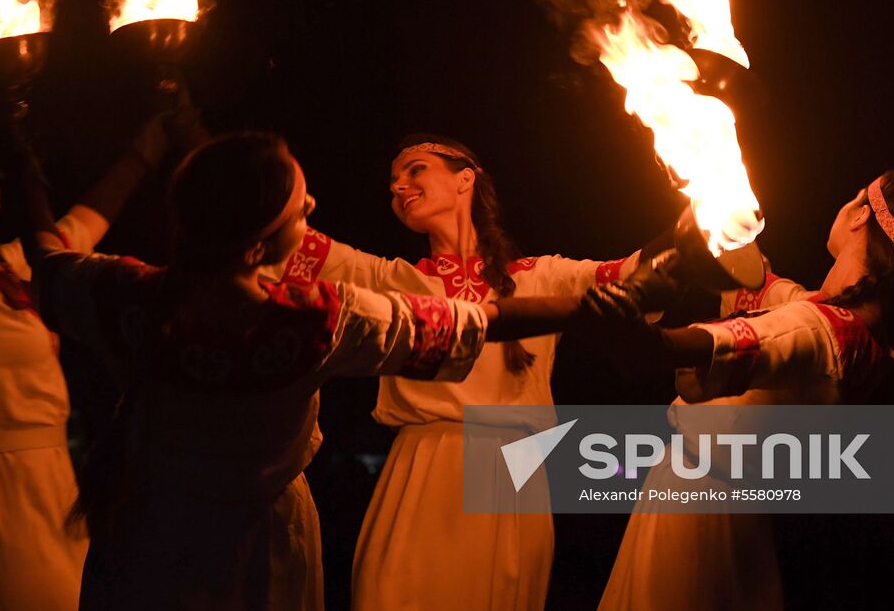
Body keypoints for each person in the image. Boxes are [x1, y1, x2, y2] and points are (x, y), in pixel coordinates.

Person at [29, 132, 649, 611]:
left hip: (147, 532)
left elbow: (49, 260)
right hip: (276, 541)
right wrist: (582, 310)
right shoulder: (326, 318)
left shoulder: (121, 293)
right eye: (301, 203)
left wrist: (28, 142)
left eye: (416, 170)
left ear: (468, 180)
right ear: (266, 232)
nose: (315, 209)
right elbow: (474, 323)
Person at [268, 135, 643, 611]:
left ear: (465, 177)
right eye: (392, 182)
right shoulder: (391, 279)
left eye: (415, 170)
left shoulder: (539, 276)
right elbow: (270, 224)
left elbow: (638, 276)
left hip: (513, 470)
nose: (399, 186)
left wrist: (705, 218)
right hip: (423, 464)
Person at [594, 168, 894, 611]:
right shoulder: (854, 327)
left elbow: (730, 344)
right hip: (732, 514)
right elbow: (772, 291)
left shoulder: (822, 333)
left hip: (699, 521)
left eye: (854, 196)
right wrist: (723, 210)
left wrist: (630, 327)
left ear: (861, 216)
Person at [0, 109, 193, 611]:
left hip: (56, 479)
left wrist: (149, 145)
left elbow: (79, 227)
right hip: (1, 492)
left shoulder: (12, 263)